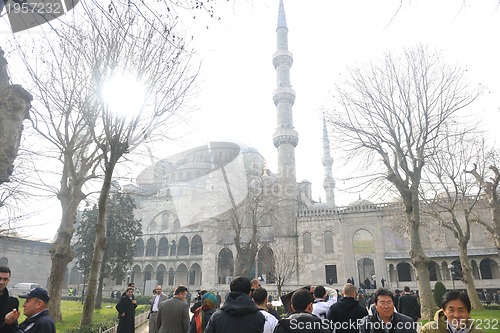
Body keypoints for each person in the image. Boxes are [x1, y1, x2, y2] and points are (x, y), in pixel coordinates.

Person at [420, 290, 485, 333]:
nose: (456, 315)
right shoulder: (429, 330)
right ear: (444, 311)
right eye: (451, 310)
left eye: (461, 310)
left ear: (469, 312)